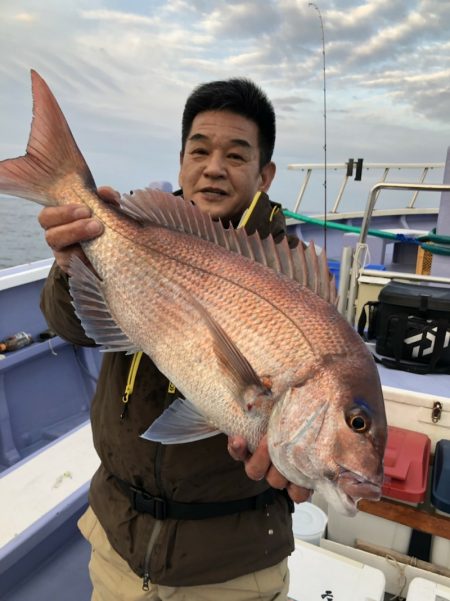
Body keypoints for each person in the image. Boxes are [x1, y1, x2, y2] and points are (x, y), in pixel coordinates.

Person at [38, 78, 311, 601]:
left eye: (236, 154)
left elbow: (320, 398)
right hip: (117, 542)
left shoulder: (293, 281)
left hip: (231, 571)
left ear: (265, 173)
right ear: (182, 159)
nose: (213, 167)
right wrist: (68, 264)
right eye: (200, 150)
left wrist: (307, 452)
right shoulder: (135, 228)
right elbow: (74, 327)